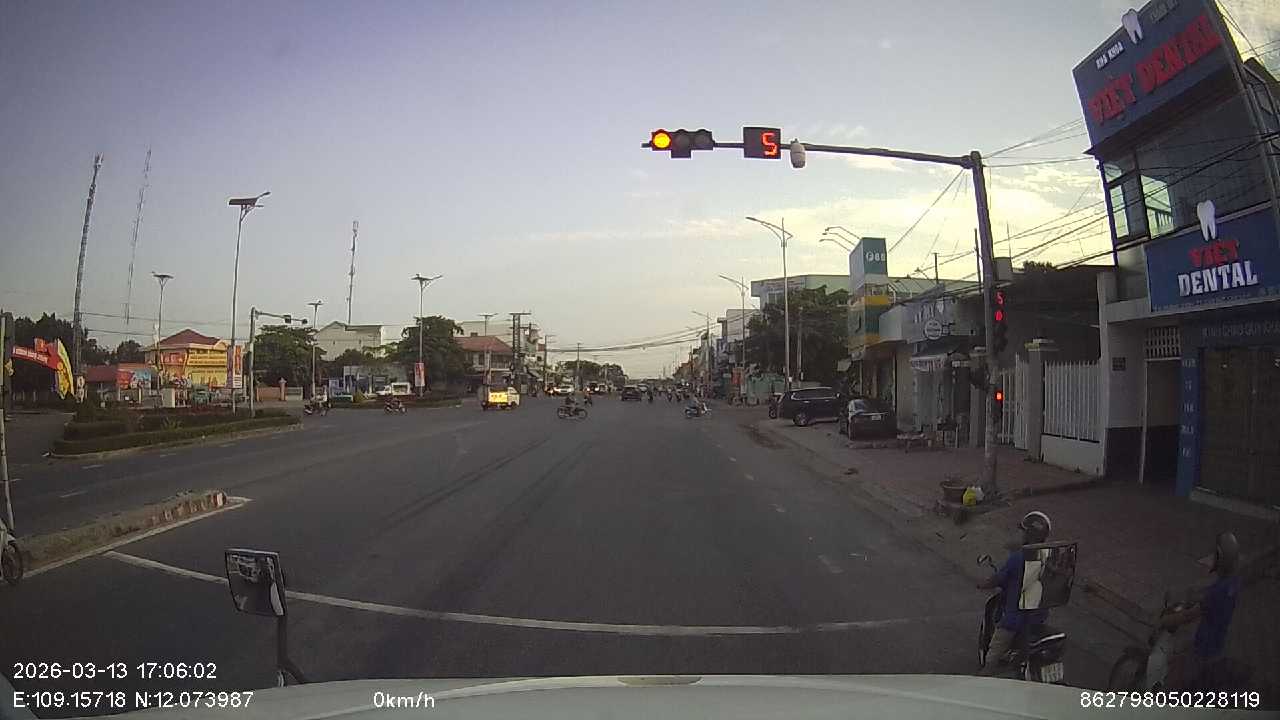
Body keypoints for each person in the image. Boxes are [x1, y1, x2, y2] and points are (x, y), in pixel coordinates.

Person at [1159, 532, 1242, 690]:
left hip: (1203, 650)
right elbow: (1208, 593)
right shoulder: (1232, 583)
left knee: (1170, 686)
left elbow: (1188, 616)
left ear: (1220, 559)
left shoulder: (1217, 593)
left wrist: (1164, 621)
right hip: (1218, 645)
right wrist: (1193, 595)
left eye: (1215, 556)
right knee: (1181, 651)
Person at [977, 510, 1052, 674]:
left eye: (1024, 531)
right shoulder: (1049, 557)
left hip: (1015, 619)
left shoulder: (1017, 558)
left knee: (991, 662)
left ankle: (985, 677)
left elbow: (998, 579)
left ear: (1029, 534)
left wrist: (982, 584)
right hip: (1038, 617)